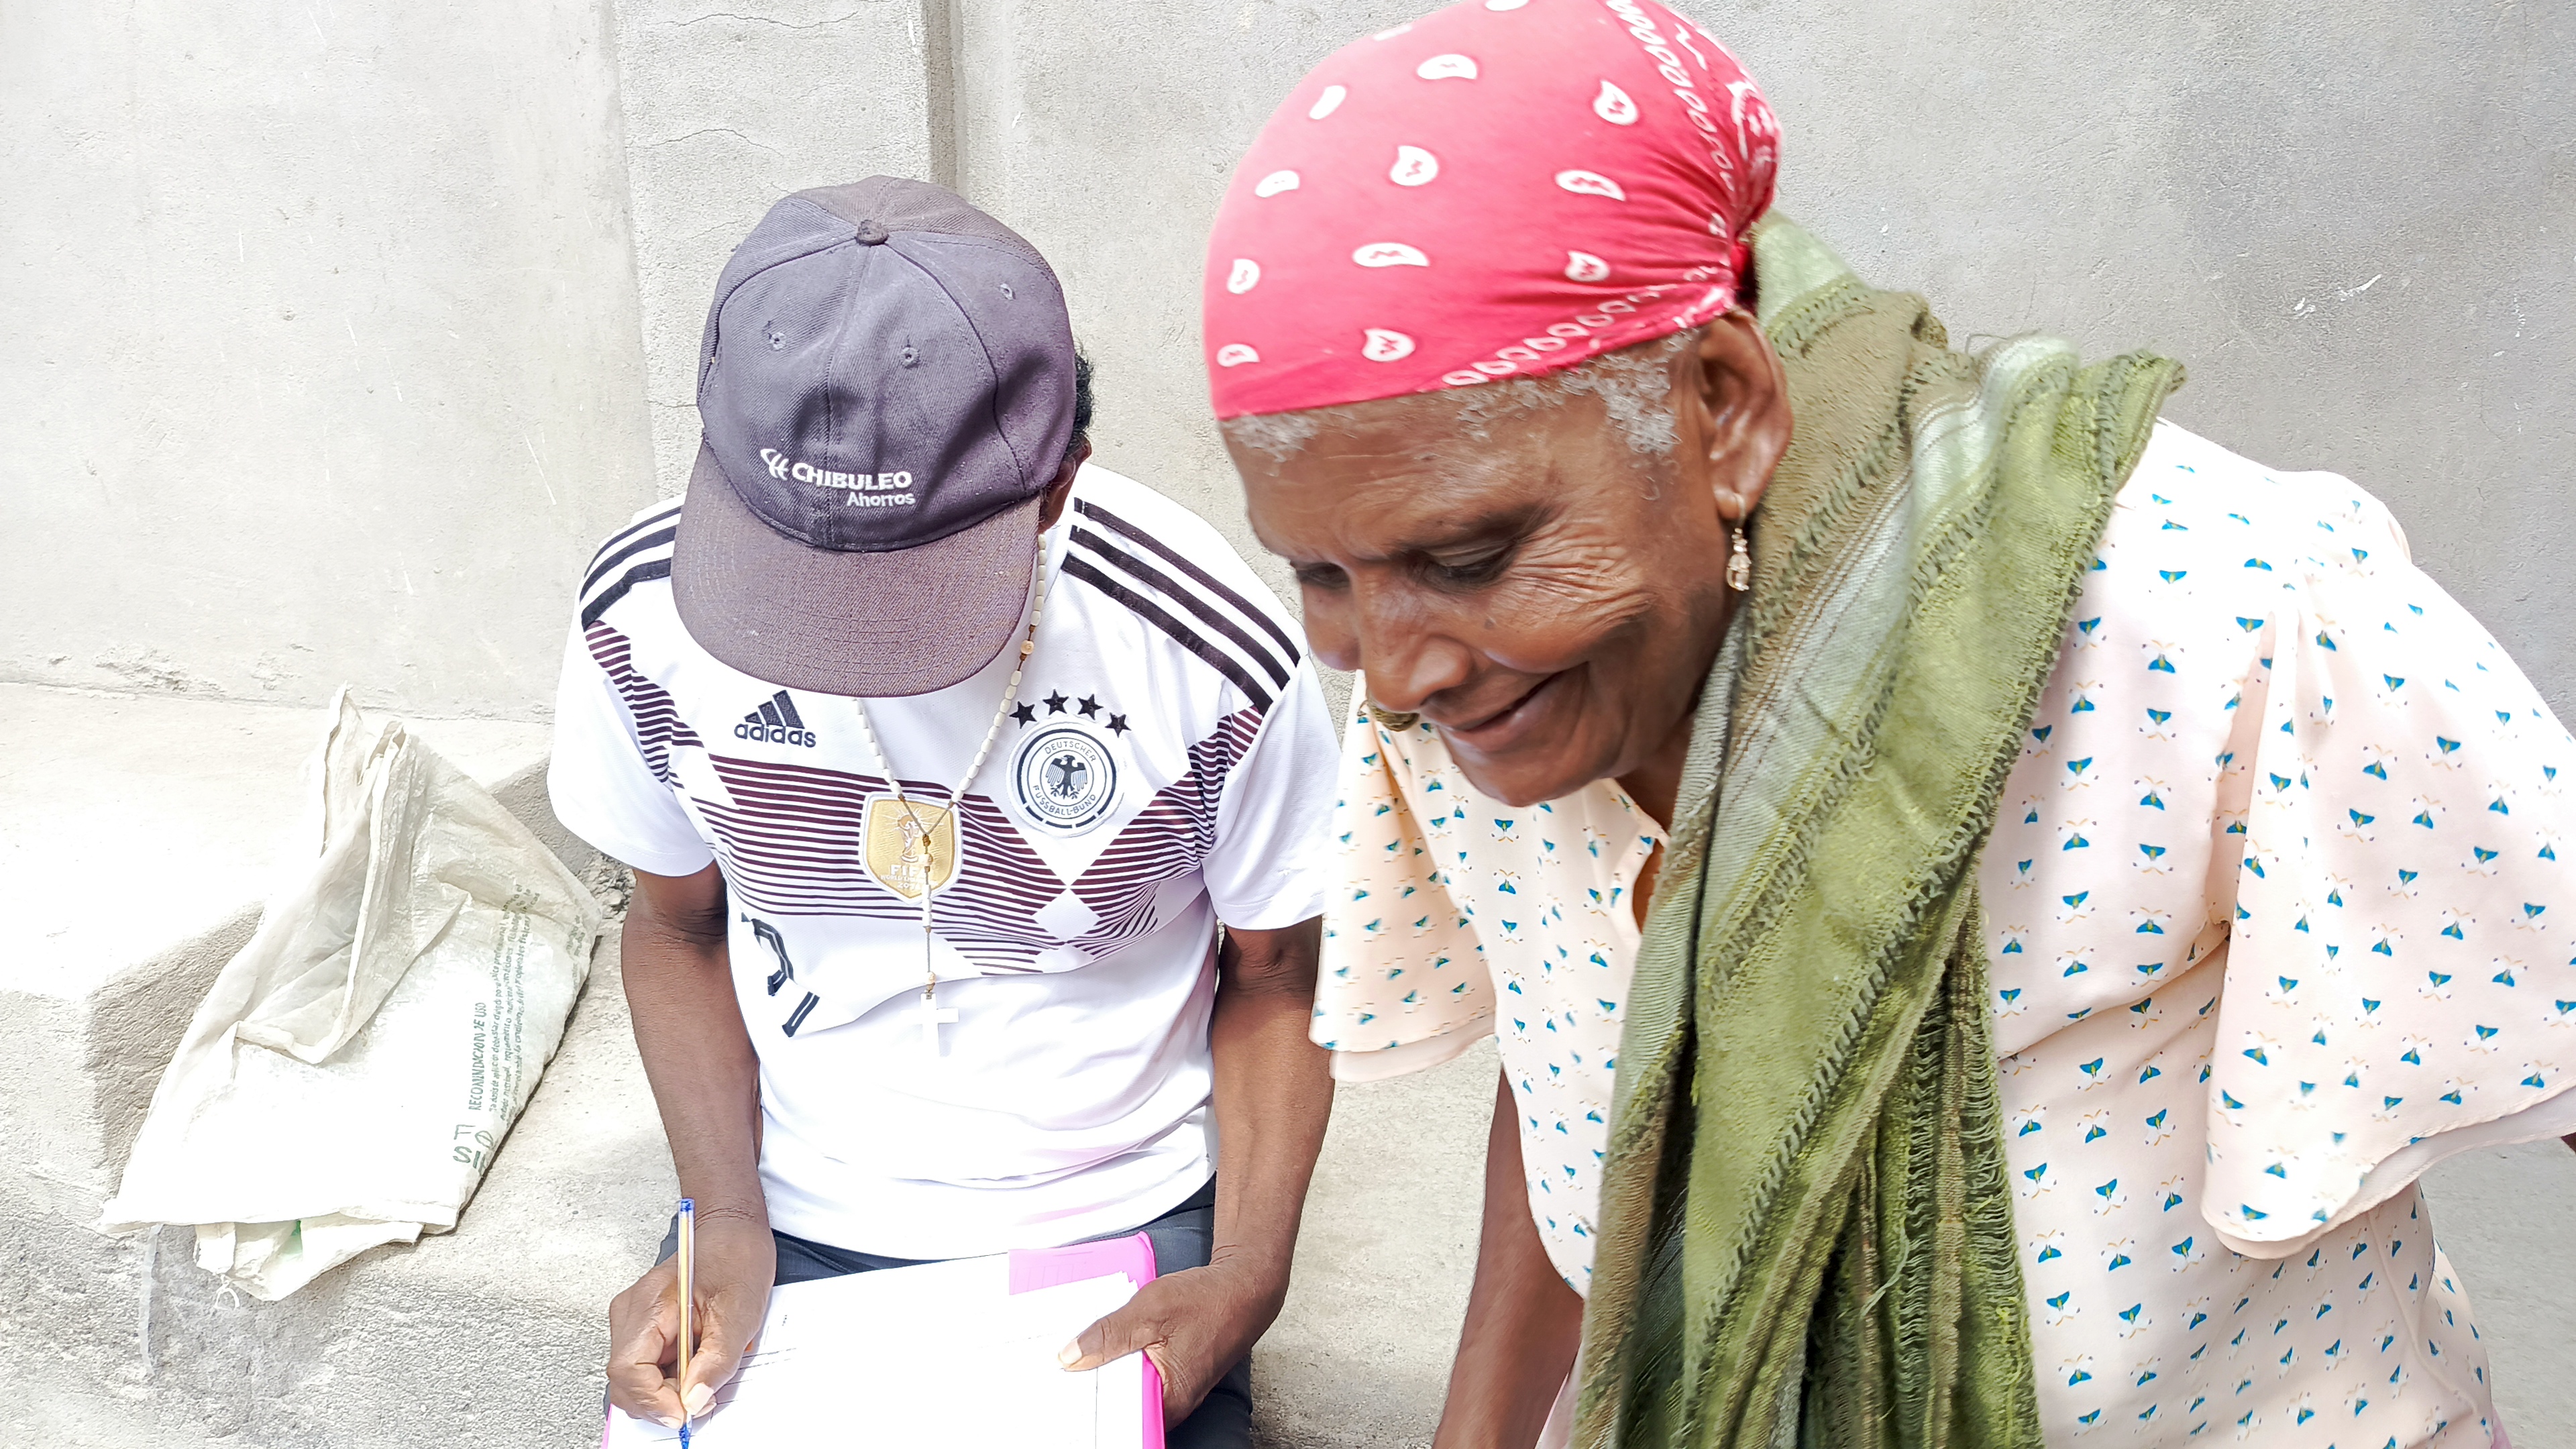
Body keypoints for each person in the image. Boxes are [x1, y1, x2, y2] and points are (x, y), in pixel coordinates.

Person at [1199, 4, 2575, 1446]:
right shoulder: (1457, 688)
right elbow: (1585, 1072)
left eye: (1474, 556)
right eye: (1320, 573)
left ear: (1724, 410)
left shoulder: (2213, 608)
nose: (1394, 670)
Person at [549, 176, 1340, 1446]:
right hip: (789, 1216)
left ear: (1060, 483)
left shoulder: (1206, 651)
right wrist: (722, 1216)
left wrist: (1249, 1274)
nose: (839, 650)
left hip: (1117, 1219)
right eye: (794, 575)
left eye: (908, 591)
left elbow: (1279, 975)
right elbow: (677, 927)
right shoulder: (642, 613)